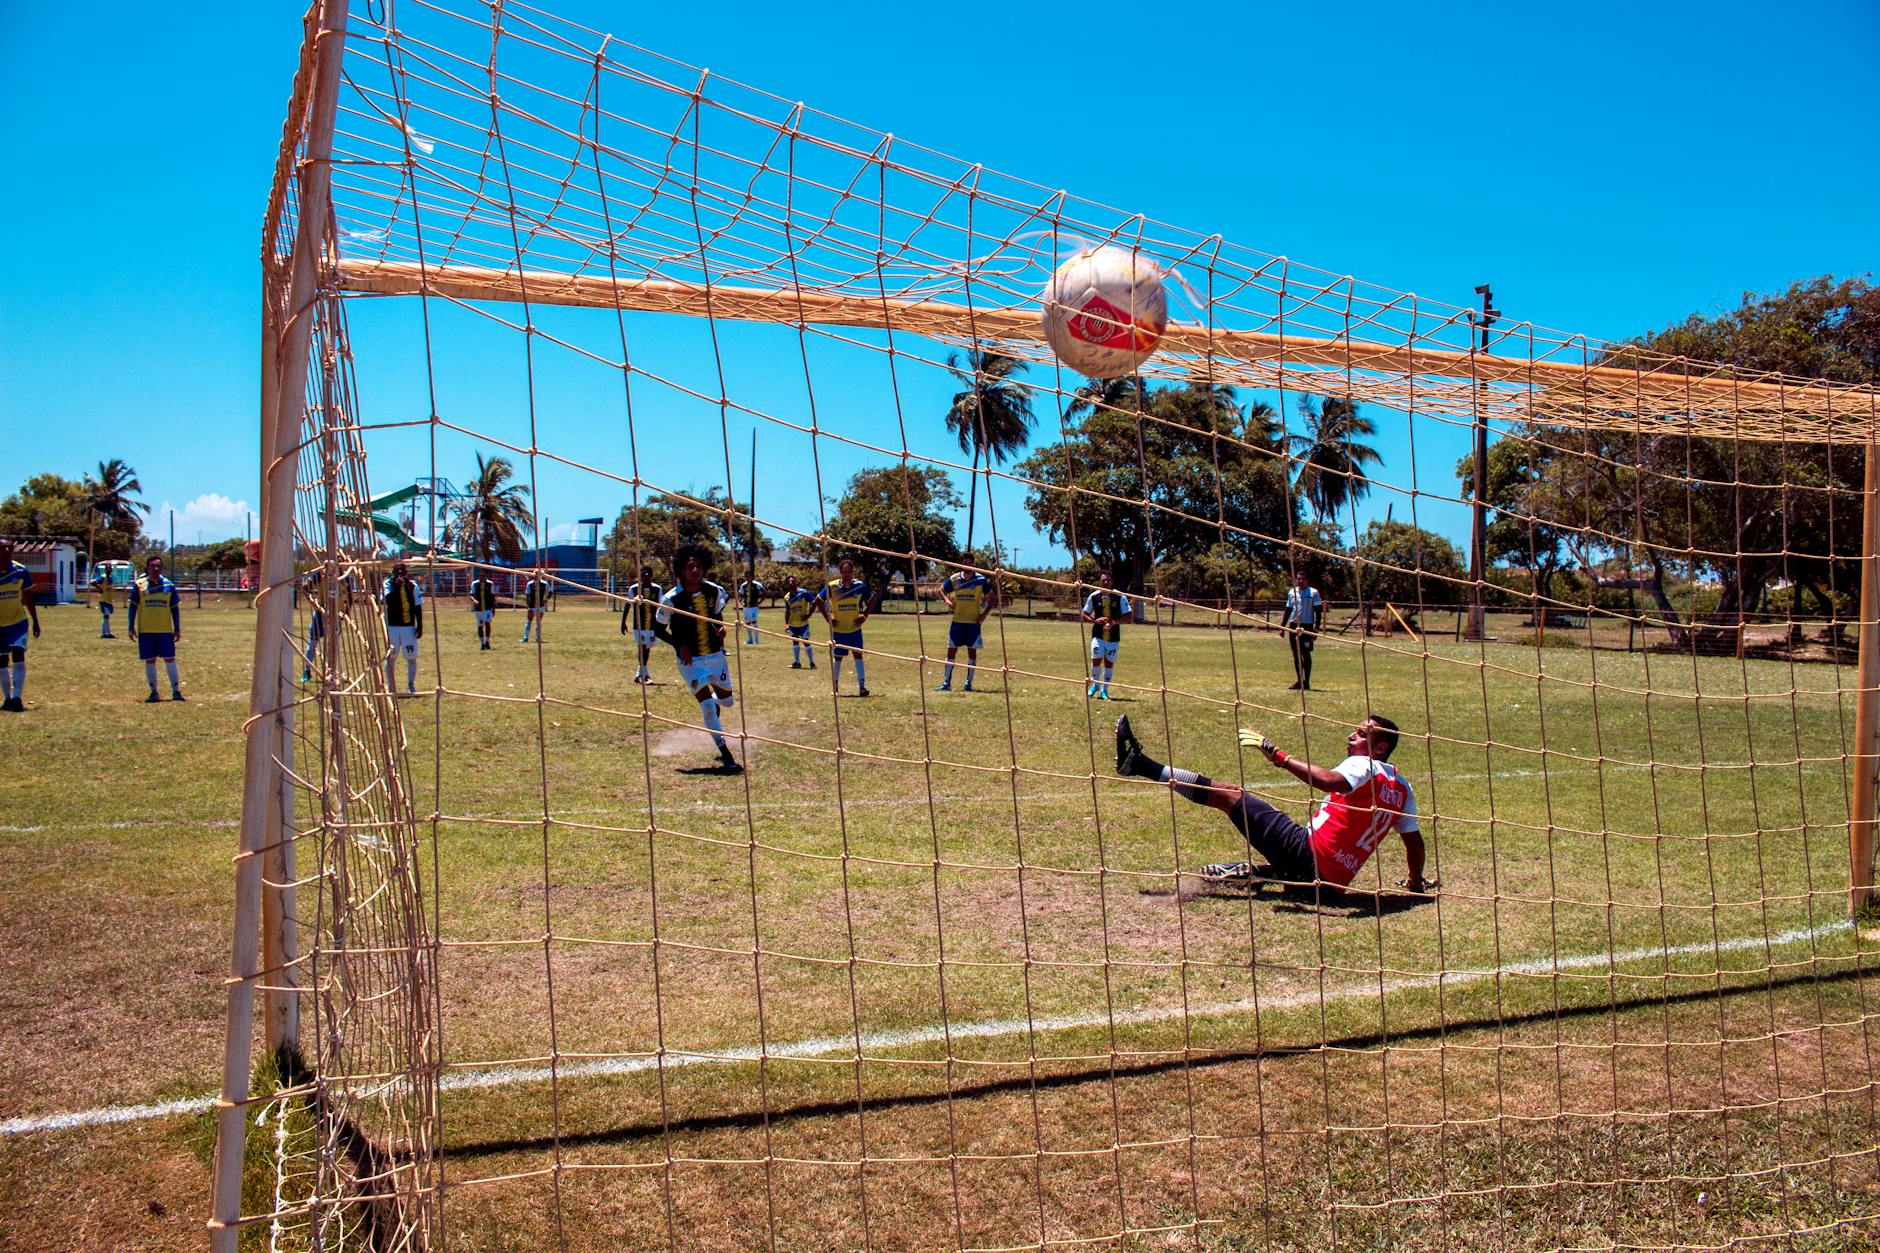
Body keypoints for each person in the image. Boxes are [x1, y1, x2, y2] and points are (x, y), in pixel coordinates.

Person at [1113, 713, 1429, 893]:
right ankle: (1258, 873)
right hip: (1331, 886)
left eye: (1360, 734)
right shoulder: (1402, 789)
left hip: (1306, 855)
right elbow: (1414, 844)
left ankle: (1139, 765)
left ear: (1379, 748)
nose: (1350, 736)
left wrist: (1279, 756)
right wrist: (1415, 882)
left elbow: (1330, 782)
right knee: (1235, 794)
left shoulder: (1366, 765)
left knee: (1230, 795)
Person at [655, 543, 741, 771]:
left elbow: (716, 616)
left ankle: (715, 699)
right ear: (682, 570)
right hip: (691, 662)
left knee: (727, 701)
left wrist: (720, 629)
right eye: (690, 566)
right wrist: (679, 645)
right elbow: (658, 629)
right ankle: (725, 752)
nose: (695, 570)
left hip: (715, 656)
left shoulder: (713, 591)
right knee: (708, 709)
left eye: (699, 566)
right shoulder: (671, 599)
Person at [128, 554, 183, 702]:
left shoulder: (168, 585)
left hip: (164, 631)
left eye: (158, 566)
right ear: (147, 568)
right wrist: (130, 626)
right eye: (153, 566)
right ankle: (153, 692)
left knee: (170, 659)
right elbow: (133, 607)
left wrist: (177, 628)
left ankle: (176, 691)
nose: (156, 568)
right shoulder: (139, 585)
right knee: (150, 660)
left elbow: (174, 608)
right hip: (146, 631)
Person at [935, 563, 994, 692]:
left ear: (973, 564)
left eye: (969, 563)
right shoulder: (955, 579)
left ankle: (968, 684)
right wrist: (947, 601)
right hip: (957, 622)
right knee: (951, 651)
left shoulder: (980, 580)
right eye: (964, 562)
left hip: (973, 623)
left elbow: (991, 598)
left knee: (972, 652)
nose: (966, 565)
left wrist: (984, 615)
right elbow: (940, 590)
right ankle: (946, 683)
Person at [816, 559, 871, 696]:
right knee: (838, 657)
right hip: (839, 631)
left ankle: (862, 687)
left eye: (849, 571)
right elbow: (818, 600)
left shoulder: (860, 586)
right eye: (844, 571)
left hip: (854, 629)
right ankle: (835, 687)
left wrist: (864, 616)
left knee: (858, 655)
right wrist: (828, 618)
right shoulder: (832, 586)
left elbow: (872, 600)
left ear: (853, 572)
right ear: (840, 572)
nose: (847, 574)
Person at [0, 539, 41, 711]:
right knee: (2, 660)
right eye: (3, 547)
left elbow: (28, 598)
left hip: (17, 623)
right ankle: (7, 699)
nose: (7, 550)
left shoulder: (21, 571)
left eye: (10, 547)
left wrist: (35, 621)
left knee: (18, 654)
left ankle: (17, 697)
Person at [1080, 570, 1131, 700]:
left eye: (1108, 580)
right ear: (1100, 582)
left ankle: (1104, 690)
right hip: (1098, 635)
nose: (1105, 583)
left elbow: (1128, 615)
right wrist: (1094, 621)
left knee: (1109, 663)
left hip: (1113, 637)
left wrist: (1114, 622)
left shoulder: (1120, 597)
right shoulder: (1094, 596)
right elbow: (1084, 613)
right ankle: (1096, 685)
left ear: (1112, 582)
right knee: (1096, 659)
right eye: (1103, 580)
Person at [301, 567, 356, 681]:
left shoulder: (345, 577)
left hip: (336, 615)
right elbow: (306, 586)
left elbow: (350, 597)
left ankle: (332, 672)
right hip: (321, 614)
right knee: (313, 643)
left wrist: (346, 613)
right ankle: (307, 670)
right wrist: (313, 602)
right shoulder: (321, 573)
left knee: (334, 645)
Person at [382, 559, 425, 695]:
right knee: (391, 657)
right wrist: (396, 586)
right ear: (393, 573)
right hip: (393, 626)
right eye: (397, 572)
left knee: (411, 657)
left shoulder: (412, 585)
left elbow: (418, 606)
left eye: (403, 572)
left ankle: (411, 686)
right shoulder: (387, 584)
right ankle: (390, 687)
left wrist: (420, 626)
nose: (400, 575)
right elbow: (387, 600)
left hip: (408, 626)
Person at [1282, 569, 1324, 691]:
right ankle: (1299, 681)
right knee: (1295, 654)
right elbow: (1288, 610)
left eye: (1302, 579)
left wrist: (1316, 628)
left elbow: (1318, 611)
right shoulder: (1292, 592)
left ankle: (1307, 681)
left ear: (1306, 580)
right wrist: (1283, 627)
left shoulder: (1313, 593)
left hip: (1307, 626)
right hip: (1293, 626)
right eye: (1298, 579)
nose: (1300, 581)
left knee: (1306, 653)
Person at [620, 564, 662, 684]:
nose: (646, 577)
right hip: (639, 625)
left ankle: (641, 673)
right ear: (640, 576)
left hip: (652, 625)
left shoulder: (657, 589)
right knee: (642, 647)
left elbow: (661, 606)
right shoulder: (634, 589)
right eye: (644, 574)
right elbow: (628, 605)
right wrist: (623, 622)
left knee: (647, 647)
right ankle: (642, 674)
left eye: (648, 574)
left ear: (652, 576)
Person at [782, 574, 818, 669]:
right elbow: (787, 611)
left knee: (806, 642)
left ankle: (812, 663)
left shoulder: (804, 592)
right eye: (789, 581)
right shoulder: (786, 597)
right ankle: (797, 662)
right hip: (793, 624)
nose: (791, 583)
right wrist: (786, 624)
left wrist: (808, 615)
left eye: (793, 581)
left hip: (803, 624)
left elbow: (814, 603)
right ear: (786, 584)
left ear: (796, 582)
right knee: (795, 642)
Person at [469, 570, 499, 650]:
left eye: (484, 575)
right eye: (481, 575)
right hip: (478, 609)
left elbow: (493, 596)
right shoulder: (474, 584)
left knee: (488, 624)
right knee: (480, 625)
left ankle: (487, 642)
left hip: (487, 608)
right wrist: (474, 601)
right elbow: (471, 595)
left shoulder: (490, 584)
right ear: (479, 575)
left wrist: (494, 608)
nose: (483, 576)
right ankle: (482, 643)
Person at [521, 572, 550, 643]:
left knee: (538, 622)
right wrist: (528, 606)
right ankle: (526, 637)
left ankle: (537, 638)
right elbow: (527, 595)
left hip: (541, 606)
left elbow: (549, 592)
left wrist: (545, 600)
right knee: (529, 621)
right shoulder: (530, 584)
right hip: (532, 606)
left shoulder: (545, 583)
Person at [738, 575, 765, 645]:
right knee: (747, 623)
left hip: (753, 607)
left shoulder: (757, 584)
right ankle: (750, 639)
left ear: (751, 577)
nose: (747, 578)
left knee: (754, 622)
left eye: (749, 576)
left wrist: (759, 602)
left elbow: (764, 592)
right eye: (746, 577)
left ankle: (757, 640)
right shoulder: (743, 585)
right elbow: (740, 594)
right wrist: (741, 601)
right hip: (746, 607)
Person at [92, 570, 116, 639]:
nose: (109, 570)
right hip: (103, 599)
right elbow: (92, 582)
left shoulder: (110, 577)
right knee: (106, 616)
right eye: (108, 569)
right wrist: (99, 588)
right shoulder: (103, 577)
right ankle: (105, 633)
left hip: (108, 599)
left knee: (107, 616)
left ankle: (107, 632)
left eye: (110, 569)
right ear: (105, 570)